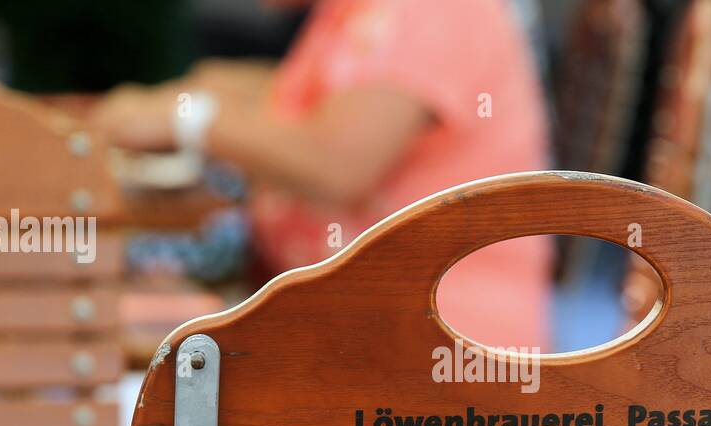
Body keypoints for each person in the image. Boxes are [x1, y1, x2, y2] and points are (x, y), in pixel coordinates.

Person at [93, 0, 553, 349]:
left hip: (437, 372)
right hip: (365, 346)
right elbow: (308, 110)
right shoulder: (349, 14)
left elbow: (337, 167)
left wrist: (190, 117)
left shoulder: (428, 9)